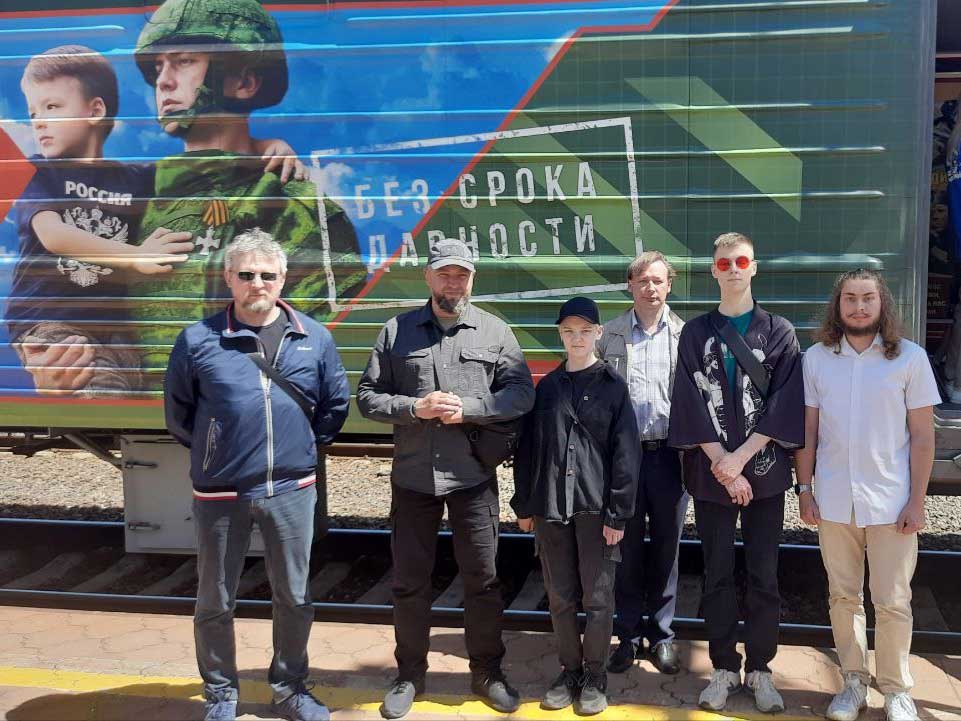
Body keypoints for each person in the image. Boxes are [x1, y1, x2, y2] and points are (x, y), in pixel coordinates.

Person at [12, 42, 310, 395]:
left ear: (95, 110)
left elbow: (200, 166)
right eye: (33, 112)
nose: (39, 121)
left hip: (112, 322)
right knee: (101, 389)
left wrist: (265, 147)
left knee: (144, 387)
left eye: (52, 107)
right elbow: (53, 234)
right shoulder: (39, 172)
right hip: (53, 320)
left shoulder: (135, 179)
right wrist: (136, 256)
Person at [165, 229, 350, 721]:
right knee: (214, 599)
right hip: (221, 492)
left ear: (283, 279)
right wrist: (217, 452)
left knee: (294, 596)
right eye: (246, 274)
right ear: (228, 278)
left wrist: (299, 451)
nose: (257, 284)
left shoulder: (314, 338)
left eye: (267, 275)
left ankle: (289, 688)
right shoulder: (198, 340)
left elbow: (334, 407)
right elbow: (180, 416)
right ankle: (220, 693)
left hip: (291, 490)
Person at [132, 0, 367, 387]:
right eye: (158, 67)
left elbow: (323, 350)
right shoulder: (136, 199)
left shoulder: (293, 208)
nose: (163, 81)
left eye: (184, 61)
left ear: (243, 83)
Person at [356, 237, 534, 719]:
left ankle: (487, 672)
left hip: (472, 477)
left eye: (462, 275)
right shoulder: (396, 331)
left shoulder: (494, 331)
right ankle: (410, 674)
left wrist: (471, 408)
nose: (453, 283)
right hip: (413, 478)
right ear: (428, 277)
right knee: (409, 583)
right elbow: (368, 397)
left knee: (484, 581)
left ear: (472, 279)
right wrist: (415, 407)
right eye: (445, 273)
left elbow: (521, 394)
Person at [668, 232, 804, 714]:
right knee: (718, 574)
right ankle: (724, 667)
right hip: (712, 474)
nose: (732, 269)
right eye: (723, 263)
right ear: (713, 270)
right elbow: (687, 403)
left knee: (764, 574)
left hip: (762, 471)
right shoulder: (695, 333)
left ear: (754, 267)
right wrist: (724, 466)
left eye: (740, 261)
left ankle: (761, 668)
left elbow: (786, 402)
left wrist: (739, 460)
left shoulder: (780, 332)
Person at [795, 269, 940, 721]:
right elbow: (807, 432)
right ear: (837, 306)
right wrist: (804, 489)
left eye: (868, 298)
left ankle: (896, 690)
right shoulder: (816, 359)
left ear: (882, 304)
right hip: (834, 499)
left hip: (891, 502)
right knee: (843, 597)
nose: (859, 307)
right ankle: (853, 683)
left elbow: (923, 437)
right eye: (850, 298)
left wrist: (917, 501)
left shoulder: (910, 358)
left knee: (893, 600)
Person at [511, 296, 639, 715]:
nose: (577, 338)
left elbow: (626, 455)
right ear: (560, 336)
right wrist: (524, 505)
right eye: (569, 331)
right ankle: (570, 670)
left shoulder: (613, 388)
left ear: (599, 333)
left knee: (598, 598)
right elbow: (528, 450)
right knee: (561, 596)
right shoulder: (547, 387)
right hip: (551, 508)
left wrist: (618, 513)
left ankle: (595, 674)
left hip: (594, 509)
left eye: (585, 331)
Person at [597, 251, 688, 676]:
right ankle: (628, 636)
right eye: (642, 280)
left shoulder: (685, 336)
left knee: (668, 547)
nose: (651, 288)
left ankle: (663, 636)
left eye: (658, 280)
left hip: (670, 455)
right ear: (630, 286)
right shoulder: (609, 336)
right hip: (624, 458)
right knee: (626, 548)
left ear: (669, 285)